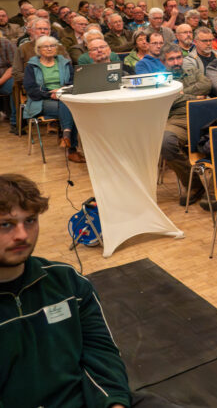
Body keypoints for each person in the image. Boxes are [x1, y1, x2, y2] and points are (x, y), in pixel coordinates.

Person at [0, 174, 132, 407]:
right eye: (6, 224)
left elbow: (101, 353)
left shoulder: (69, 282)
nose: (22, 235)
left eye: (30, 220)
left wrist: (114, 403)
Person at [159, 44, 213, 205]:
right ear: (163, 62)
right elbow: (171, 99)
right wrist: (195, 96)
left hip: (204, 114)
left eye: (179, 57)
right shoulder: (159, 79)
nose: (176, 62)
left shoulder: (193, 71)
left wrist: (183, 93)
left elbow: (207, 85)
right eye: (171, 59)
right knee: (165, 142)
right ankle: (195, 185)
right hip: (178, 118)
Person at [23, 36, 84, 163]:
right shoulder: (32, 66)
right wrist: (49, 94)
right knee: (72, 110)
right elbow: (31, 90)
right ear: (38, 49)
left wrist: (61, 91)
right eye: (46, 46)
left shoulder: (65, 62)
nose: (50, 48)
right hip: (42, 100)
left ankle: (66, 135)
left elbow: (74, 82)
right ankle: (71, 148)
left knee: (68, 106)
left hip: (64, 97)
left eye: (52, 46)